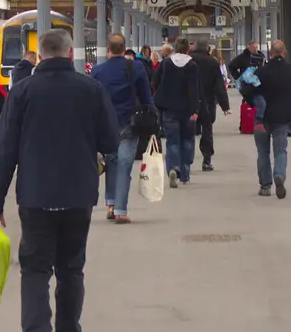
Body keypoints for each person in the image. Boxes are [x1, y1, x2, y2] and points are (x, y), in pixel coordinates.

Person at [0, 29, 119, 332]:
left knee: (34, 270)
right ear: (70, 52)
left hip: (34, 196)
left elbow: (5, 151)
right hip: (77, 195)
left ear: (40, 55)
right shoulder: (90, 89)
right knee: (71, 270)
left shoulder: (23, 92)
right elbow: (110, 140)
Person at [92, 34, 155, 224]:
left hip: (105, 125)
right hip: (129, 122)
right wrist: (152, 113)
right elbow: (146, 94)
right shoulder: (135, 67)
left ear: (107, 49)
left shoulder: (97, 71)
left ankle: (110, 204)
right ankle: (120, 210)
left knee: (111, 163)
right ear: (124, 48)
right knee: (124, 166)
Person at [254, 40, 291, 199]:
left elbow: (249, 88)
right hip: (282, 117)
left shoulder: (262, 71)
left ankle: (265, 186)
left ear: (270, 54)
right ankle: (279, 174)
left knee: (263, 152)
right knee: (281, 150)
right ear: (284, 53)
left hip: (262, 117)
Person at [153, 38, 200, 187]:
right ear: (188, 49)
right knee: (187, 140)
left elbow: (155, 81)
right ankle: (185, 174)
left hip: (168, 108)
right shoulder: (192, 65)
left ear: (175, 48)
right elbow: (195, 89)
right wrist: (195, 109)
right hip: (187, 110)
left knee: (172, 141)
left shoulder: (166, 63)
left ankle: (173, 168)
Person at [191, 40, 230, 170]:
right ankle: (206, 160)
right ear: (207, 49)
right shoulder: (212, 63)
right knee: (207, 130)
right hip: (208, 102)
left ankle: (187, 160)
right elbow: (219, 86)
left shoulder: (188, 60)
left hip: (190, 102)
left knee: (188, 131)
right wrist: (225, 106)